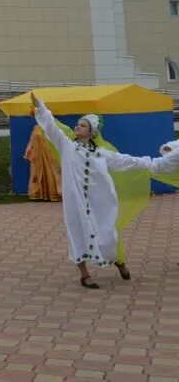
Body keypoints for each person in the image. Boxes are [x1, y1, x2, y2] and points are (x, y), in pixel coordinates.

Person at [30, 92, 178, 288]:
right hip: (76, 201)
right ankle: (84, 275)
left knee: (107, 233)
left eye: (83, 125)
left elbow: (127, 161)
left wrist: (152, 164)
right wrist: (40, 107)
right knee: (77, 232)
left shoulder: (102, 154)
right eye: (78, 124)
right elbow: (51, 126)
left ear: (92, 132)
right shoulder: (67, 146)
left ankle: (119, 261)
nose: (77, 126)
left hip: (101, 202)